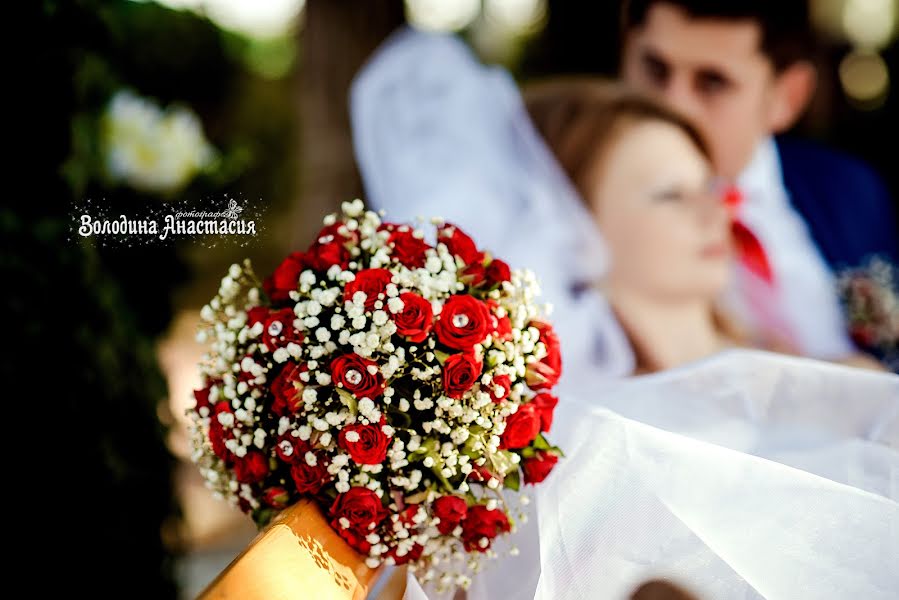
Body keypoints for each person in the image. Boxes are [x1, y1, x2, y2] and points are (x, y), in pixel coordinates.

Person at [619, 0, 899, 364]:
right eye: (655, 69)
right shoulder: (580, 209)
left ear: (787, 97)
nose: (673, 108)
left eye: (712, 82)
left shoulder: (851, 191)